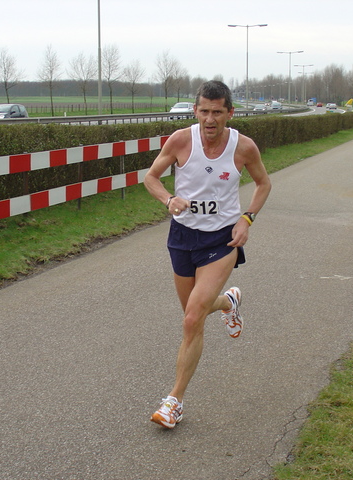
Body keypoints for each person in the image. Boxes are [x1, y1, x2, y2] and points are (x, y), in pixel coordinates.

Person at [144, 80, 272, 429]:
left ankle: (174, 402)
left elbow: (263, 183)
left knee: (190, 320)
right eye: (204, 111)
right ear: (195, 111)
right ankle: (228, 303)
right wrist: (169, 199)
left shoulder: (243, 147)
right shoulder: (181, 140)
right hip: (182, 237)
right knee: (194, 312)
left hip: (222, 240)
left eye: (218, 112)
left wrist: (247, 218)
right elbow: (151, 178)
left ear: (230, 112)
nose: (210, 119)